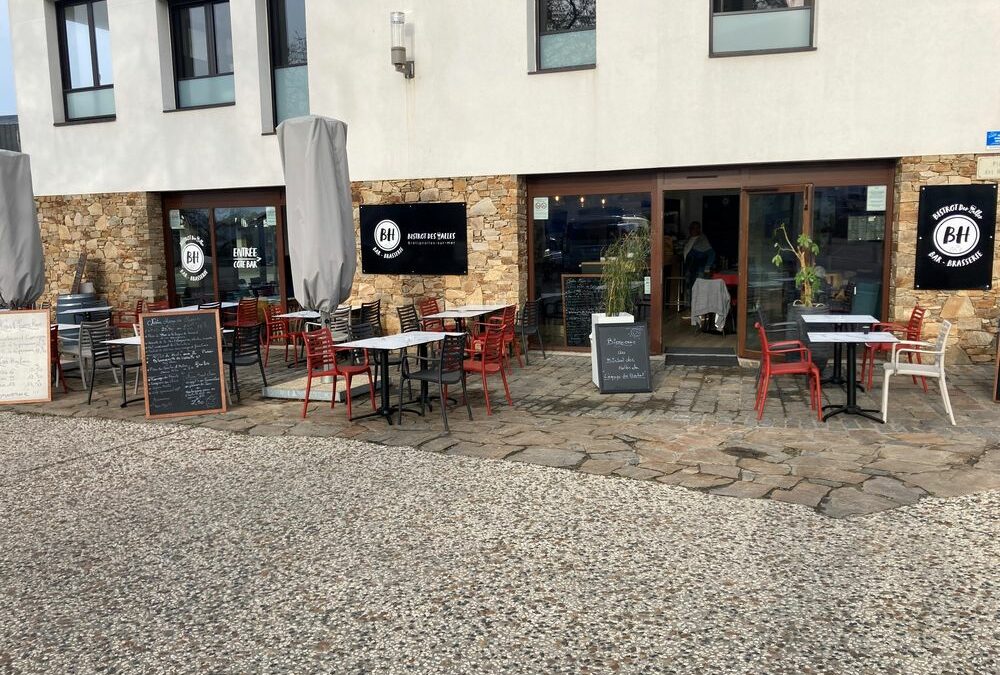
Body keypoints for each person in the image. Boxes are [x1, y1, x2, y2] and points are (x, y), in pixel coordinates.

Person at [683, 221, 716, 290]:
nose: (694, 229)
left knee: (698, 292)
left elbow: (712, 253)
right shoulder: (689, 239)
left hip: (699, 271)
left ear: (699, 229)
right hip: (690, 270)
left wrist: (707, 268)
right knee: (690, 291)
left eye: (696, 228)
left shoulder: (702, 239)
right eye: (692, 228)